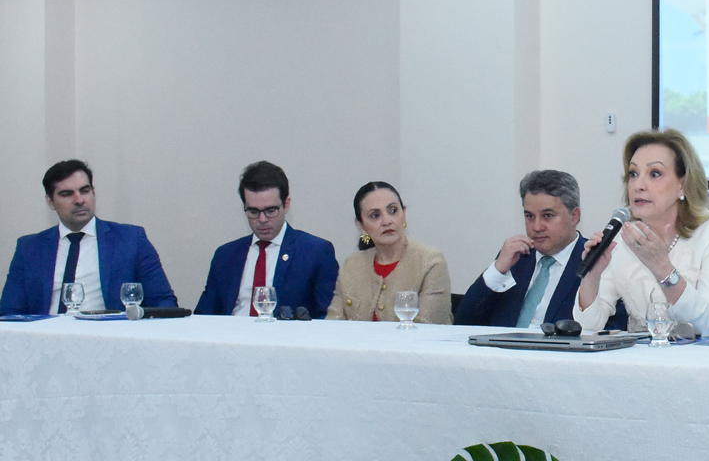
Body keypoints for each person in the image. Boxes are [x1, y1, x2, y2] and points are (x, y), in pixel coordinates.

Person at [575, 129, 709, 338]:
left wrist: (662, 267)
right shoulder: (624, 237)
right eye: (633, 174)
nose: (638, 186)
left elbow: (708, 324)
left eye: (654, 174)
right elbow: (587, 326)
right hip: (651, 357)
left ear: (682, 185)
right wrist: (592, 276)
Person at [1, 159, 176, 316]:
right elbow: (8, 312)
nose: (79, 200)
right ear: (50, 201)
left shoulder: (131, 239)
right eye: (67, 194)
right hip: (47, 336)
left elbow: (164, 302)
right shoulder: (29, 248)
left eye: (84, 191)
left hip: (110, 335)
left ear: (93, 193)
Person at [456, 169, 623, 329]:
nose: (536, 227)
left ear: (574, 216)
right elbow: (463, 323)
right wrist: (497, 271)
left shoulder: (596, 261)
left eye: (548, 216)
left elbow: (612, 330)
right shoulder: (515, 259)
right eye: (529, 216)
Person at [194, 161, 339, 318]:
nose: (262, 219)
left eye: (270, 210)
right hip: (233, 331)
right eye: (253, 211)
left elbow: (328, 318)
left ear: (286, 204)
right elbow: (204, 316)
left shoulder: (315, 252)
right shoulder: (225, 255)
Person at [325, 181, 452, 324]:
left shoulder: (431, 263)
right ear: (361, 226)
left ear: (404, 213)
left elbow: (429, 328)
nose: (386, 221)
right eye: (375, 215)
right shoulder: (351, 266)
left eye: (393, 211)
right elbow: (333, 325)